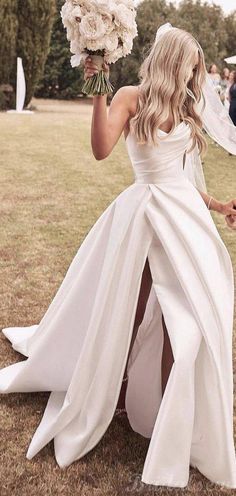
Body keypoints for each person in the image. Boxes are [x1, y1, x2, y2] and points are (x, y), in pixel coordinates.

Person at [0, 23, 236, 490]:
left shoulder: (189, 107)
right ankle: (119, 392)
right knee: (132, 308)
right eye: (191, 65)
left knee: (184, 322)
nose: (195, 75)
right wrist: (97, 91)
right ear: (173, 60)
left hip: (185, 219)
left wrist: (218, 206)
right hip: (145, 216)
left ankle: (176, 417)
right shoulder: (131, 96)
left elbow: (186, 178)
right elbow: (100, 149)